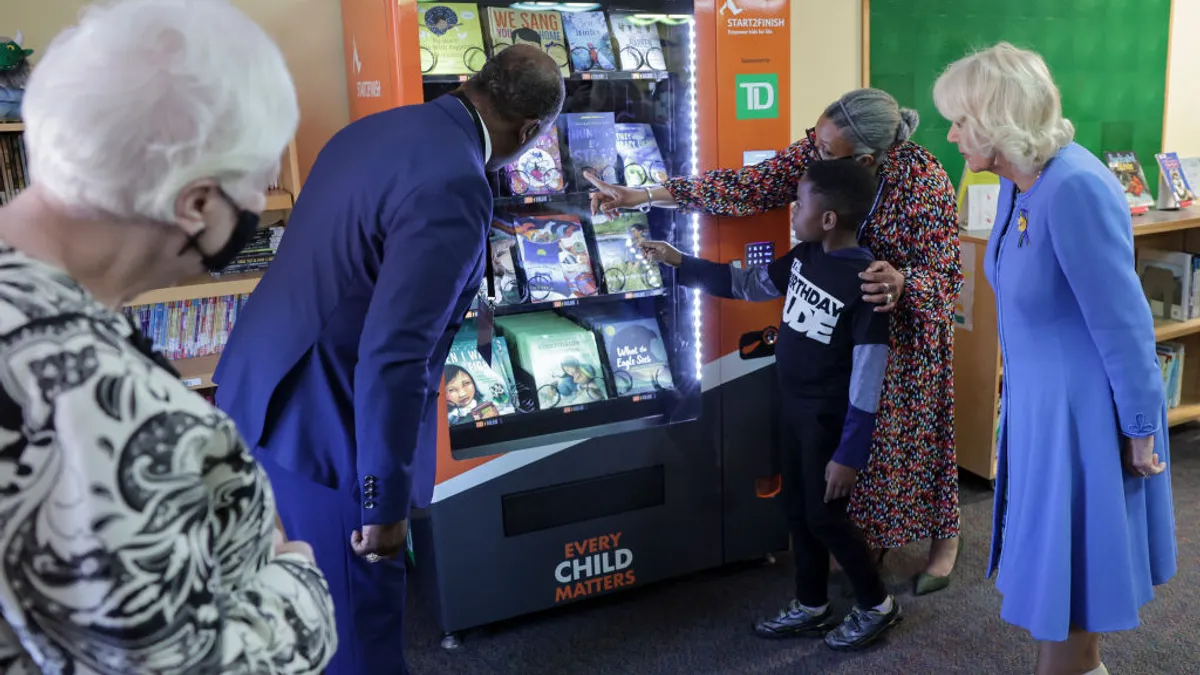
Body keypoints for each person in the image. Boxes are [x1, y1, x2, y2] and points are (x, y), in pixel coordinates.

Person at [0, 1, 337, 673]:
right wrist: (294, 577)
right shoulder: (101, 406)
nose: (258, 206)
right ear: (196, 204)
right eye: (257, 186)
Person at [213, 45, 565, 675]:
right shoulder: (457, 182)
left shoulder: (370, 129)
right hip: (328, 426)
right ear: (531, 132)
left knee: (286, 607)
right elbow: (395, 354)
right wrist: (383, 505)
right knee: (355, 629)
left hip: (257, 389)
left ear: (467, 82)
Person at [588, 88, 963, 597]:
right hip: (836, 333)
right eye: (816, 140)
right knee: (850, 455)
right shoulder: (822, 160)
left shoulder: (925, 182)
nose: (813, 156)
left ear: (868, 159)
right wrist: (646, 195)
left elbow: (947, 279)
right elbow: (750, 185)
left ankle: (944, 541)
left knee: (906, 438)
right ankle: (867, 543)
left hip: (900, 330)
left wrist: (903, 283)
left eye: (826, 151)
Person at [934, 42, 1177, 675]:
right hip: (1042, 411)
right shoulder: (1022, 178)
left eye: (961, 120)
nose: (953, 134)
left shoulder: (1074, 187)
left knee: (1071, 592)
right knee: (1056, 584)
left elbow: (1126, 327)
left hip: (1084, 419)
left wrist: (1142, 429)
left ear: (998, 118)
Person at [640, 159, 900, 651]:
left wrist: (850, 453)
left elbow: (869, 377)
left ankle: (878, 605)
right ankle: (812, 603)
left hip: (829, 422)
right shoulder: (804, 254)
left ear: (828, 218)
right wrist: (680, 261)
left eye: (799, 203)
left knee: (827, 517)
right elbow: (751, 284)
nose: (792, 210)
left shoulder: (866, 283)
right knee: (797, 510)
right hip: (792, 407)